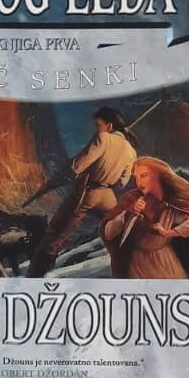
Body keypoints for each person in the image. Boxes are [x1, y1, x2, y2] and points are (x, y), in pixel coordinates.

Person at [28, 105, 139, 275]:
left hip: (88, 192)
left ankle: (36, 275)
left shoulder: (103, 138)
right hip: (108, 196)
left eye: (98, 125)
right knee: (117, 232)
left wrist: (75, 170)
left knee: (56, 233)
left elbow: (78, 166)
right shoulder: (131, 150)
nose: (96, 128)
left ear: (109, 126)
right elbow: (122, 182)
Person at [101, 157, 189, 281]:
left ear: (159, 176)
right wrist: (129, 213)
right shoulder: (131, 198)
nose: (139, 182)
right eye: (136, 178)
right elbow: (108, 232)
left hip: (167, 261)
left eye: (143, 175)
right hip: (139, 264)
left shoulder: (172, 202)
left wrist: (168, 233)